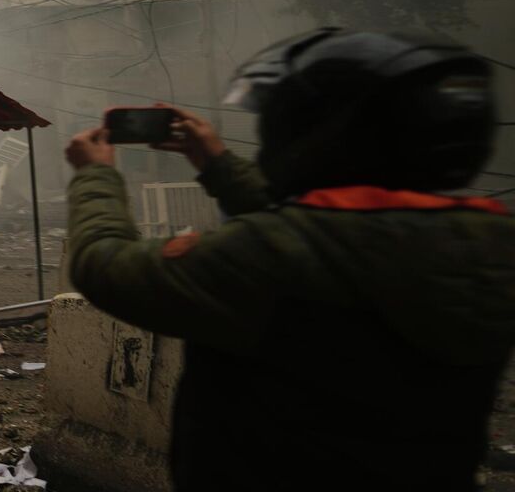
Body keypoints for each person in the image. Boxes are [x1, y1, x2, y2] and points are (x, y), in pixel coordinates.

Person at [62, 28, 514, 491]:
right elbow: (328, 234)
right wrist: (215, 163)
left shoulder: (267, 254)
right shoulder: (490, 242)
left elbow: (106, 266)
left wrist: (95, 176)